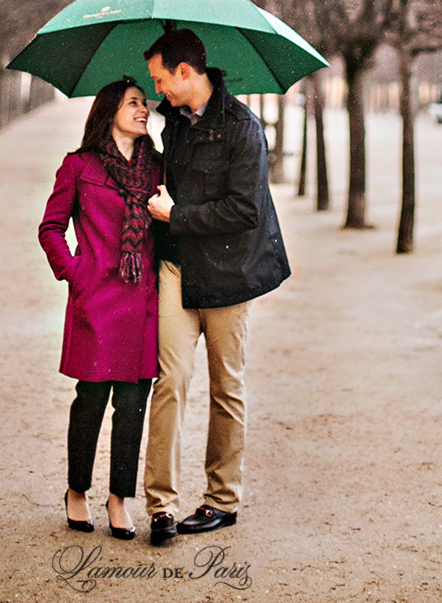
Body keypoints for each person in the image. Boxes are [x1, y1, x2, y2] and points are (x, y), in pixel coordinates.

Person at [142, 29, 291, 545]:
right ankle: (160, 505)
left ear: (186, 73)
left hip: (230, 276)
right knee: (170, 382)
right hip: (178, 270)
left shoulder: (243, 127)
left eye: (160, 79)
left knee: (226, 388)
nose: (156, 90)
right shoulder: (175, 124)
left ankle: (221, 501)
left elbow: (245, 210)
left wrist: (177, 214)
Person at [38, 79, 161, 540]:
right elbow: (51, 227)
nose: (144, 109)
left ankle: (118, 499)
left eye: (145, 103)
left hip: (142, 302)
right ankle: (76, 490)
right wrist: (75, 272)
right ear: (110, 110)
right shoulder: (79, 166)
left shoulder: (158, 169)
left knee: (132, 405)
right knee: (90, 401)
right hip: (96, 300)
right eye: (134, 103)